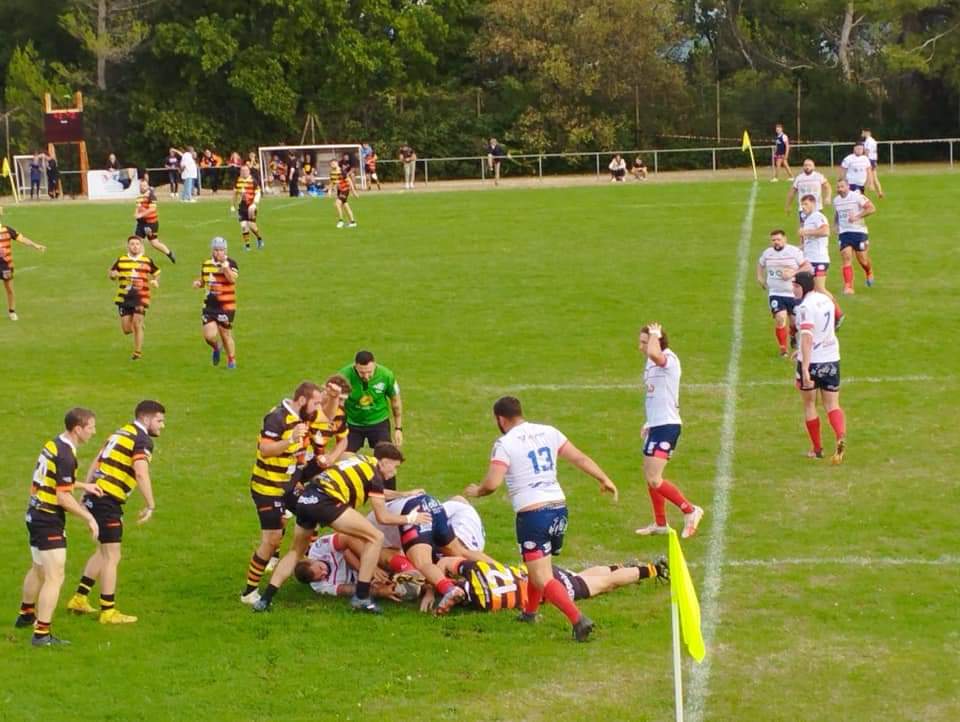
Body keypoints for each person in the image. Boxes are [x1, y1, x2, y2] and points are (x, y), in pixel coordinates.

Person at [464, 396, 619, 642]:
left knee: (540, 575)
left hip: (533, 514)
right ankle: (530, 612)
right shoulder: (549, 431)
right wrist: (603, 478)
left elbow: (492, 484)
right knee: (537, 566)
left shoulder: (504, 443)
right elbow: (579, 457)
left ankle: (578, 620)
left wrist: (476, 491)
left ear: (500, 419)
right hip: (558, 508)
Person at [252, 444, 429, 614]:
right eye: (395, 466)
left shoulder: (360, 460)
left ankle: (265, 599)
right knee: (375, 537)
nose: (394, 472)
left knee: (295, 552)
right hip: (327, 502)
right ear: (384, 461)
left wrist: (404, 494)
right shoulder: (374, 475)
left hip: (307, 498)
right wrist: (411, 518)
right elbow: (383, 516)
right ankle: (361, 596)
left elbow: (375, 491)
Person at [67, 401, 165, 624]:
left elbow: (97, 460)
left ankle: (79, 598)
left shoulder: (122, 431)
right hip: (107, 500)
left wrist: (87, 489)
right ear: (147, 419)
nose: (162, 425)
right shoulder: (142, 440)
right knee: (112, 556)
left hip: (97, 494)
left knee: (103, 552)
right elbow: (141, 473)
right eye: (159, 420)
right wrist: (150, 504)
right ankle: (108, 611)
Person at [16, 408, 100, 646]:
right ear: (78, 429)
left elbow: (54, 479)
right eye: (90, 427)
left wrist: (83, 485)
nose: (93, 431)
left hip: (34, 512)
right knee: (55, 576)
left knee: (38, 568)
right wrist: (88, 518)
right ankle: (41, 634)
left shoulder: (54, 444)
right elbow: (62, 497)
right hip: (48, 519)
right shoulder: (66, 455)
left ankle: (26, 614)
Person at [240, 382, 324, 605]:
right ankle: (249, 592)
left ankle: (303, 560)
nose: (317, 408)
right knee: (272, 539)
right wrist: (290, 440)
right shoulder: (277, 418)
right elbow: (266, 451)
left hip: (288, 486)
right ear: (303, 400)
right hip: (268, 488)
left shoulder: (304, 418)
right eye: (316, 403)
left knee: (313, 513)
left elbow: (326, 423)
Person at [634, 324, 705, 538]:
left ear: (657, 342)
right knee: (649, 476)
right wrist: (648, 422)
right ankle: (660, 523)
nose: (641, 347)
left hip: (667, 427)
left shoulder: (668, 359)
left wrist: (655, 335)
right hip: (656, 425)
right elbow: (655, 394)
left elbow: (655, 353)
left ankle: (690, 510)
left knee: (655, 478)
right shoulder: (650, 361)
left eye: (645, 342)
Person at [430, 555, 668, 615]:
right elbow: (445, 561)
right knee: (587, 578)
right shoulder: (476, 569)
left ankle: (653, 569)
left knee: (602, 584)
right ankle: (624, 567)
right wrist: (436, 586)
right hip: (538, 574)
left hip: (547, 589)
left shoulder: (483, 604)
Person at [793, 271, 846, 463]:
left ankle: (816, 449)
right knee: (832, 404)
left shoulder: (805, 307)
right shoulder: (826, 299)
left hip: (812, 360)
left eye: (795, 286)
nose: (793, 289)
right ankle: (840, 435)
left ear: (802, 287)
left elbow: (807, 338)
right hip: (831, 357)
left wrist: (805, 367)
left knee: (809, 404)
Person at [293, 533, 410, 601]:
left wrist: (370, 566)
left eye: (320, 568)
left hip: (364, 555)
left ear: (312, 560)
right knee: (398, 588)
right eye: (320, 577)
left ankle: (409, 568)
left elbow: (348, 538)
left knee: (349, 554)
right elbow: (348, 589)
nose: (324, 572)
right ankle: (417, 583)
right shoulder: (320, 587)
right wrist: (380, 591)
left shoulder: (319, 548)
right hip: (365, 579)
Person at [756, 230, 811, 357]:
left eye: (778, 239)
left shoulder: (794, 252)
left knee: (795, 322)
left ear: (785, 239)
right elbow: (760, 263)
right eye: (773, 240)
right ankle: (783, 349)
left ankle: (792, 334)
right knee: (780, 318)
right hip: (775, 293)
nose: (776, 242)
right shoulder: (768, 253)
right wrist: (759, 277)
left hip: (792, 294)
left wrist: (793, 273)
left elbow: (807, 266)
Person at [338, 350, 402, 454]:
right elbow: (334, 401)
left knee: (385, 457)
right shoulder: (344, 376)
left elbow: (396, 403)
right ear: (355, 366)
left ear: (375, 365)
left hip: (379, 422)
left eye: (369, 372)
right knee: (344, 458)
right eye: (362, 373)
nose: (366, 376)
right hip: (352, 423)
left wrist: (398, 428)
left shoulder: (386, 375)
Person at [109, 235, 160, 360]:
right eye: (132, 244)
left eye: (137, 244)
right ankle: (139, 327)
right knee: (126, 329)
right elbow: (111, 273)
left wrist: (155, 281)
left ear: (141, 246)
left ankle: (137, 352)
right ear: (128, 246)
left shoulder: (147, 260)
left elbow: (156, 272)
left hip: (141, 296)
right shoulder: (121, 260)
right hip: (124, 297)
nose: (135, 246)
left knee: (137, 323)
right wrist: (113, 275)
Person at [798, 194, 844, 326]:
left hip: (819, 259)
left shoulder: (818, 216)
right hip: (810, 259)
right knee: (807, 289)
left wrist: (806, 232)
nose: (803, 207)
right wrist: (798, 249)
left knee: (820, 289)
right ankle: (814, 316)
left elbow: (825, 231)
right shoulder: (808, 219)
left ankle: (838, 314)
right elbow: (810, 242)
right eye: (802, 205)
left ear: (813, 203)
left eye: (806, 204)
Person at [193, 236, 238, 368]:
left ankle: (231, 360)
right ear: (212, 251)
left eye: (221, 250)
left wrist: (225, 267)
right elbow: (204, 280)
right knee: (209, 336)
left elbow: (232, 280)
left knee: (225, 333)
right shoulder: (206, 264)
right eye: (216, 250)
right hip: (209, 306)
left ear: (225, 250)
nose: (218, 252)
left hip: (226, 306)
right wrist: (198, 283)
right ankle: (216, 347)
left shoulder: (231, 263)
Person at [833, 178, 877, 294]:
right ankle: (848, 286)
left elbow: (872, 208)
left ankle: (868, 271)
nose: (840, 189)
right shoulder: (836, 200)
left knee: (862, 260)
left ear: (848, 186)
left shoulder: (857, 197)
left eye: (842, 186)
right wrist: (835, 225)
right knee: (846, 257)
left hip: (859, 232)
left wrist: (856, 217)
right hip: (844, 233)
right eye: (838, 187)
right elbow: (837, 213)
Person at [0, 219, 47, 321]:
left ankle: (12, 312)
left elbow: (22, 239)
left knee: (10, 289)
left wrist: (35, 245)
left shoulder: (7, 230)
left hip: (6, 266)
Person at [134, 175, 176, 263]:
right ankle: (140, 261)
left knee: (154, 243)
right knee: (138, 240)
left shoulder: (151, 196)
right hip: (141, 223)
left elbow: (152, 209)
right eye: (141, 186)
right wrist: (136, 214)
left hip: (150, 223)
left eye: (144, 186)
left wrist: (141, 214)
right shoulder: (139, 196)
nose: (142, 187)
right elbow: (138, 207)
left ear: (148, 186)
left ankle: (169, 253)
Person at [231, 164, 264, 251]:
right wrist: (232, 205)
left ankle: (259, 238)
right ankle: (247, 245)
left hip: (251, 206)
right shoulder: (238, 181)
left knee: (252, 226)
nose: (244, 172)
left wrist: (254, 203)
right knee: (243, 226)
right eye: (242, 171)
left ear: (249, 171)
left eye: (245, 170)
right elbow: (235, 194)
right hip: (241, 207)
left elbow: (258, 193)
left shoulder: (253, 181)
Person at [332, 160, 357, 228]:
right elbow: (333, 182)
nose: (332, 165)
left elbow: (349, 180)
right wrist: (331, 190)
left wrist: (353, 191)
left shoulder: (341, 171)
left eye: (333, 163)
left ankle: (341, 221)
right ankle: (353, 222)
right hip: (340, 191)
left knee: (337, 203)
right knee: (345, 206)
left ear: (337, 164)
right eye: (331, 164)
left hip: (345, 190)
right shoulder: (332, 172)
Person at [861, 129, 884, 198]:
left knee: (866, 178)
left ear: (867, 132)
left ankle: (864, 194)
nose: (862, 134)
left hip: (869, 160)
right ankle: (880, 192)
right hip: (873, 160)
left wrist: (864, 160)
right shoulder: (873, 140)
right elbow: (875, 152)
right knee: (874, 177)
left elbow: (867, 152)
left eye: (863, 132)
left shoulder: (868, 141)